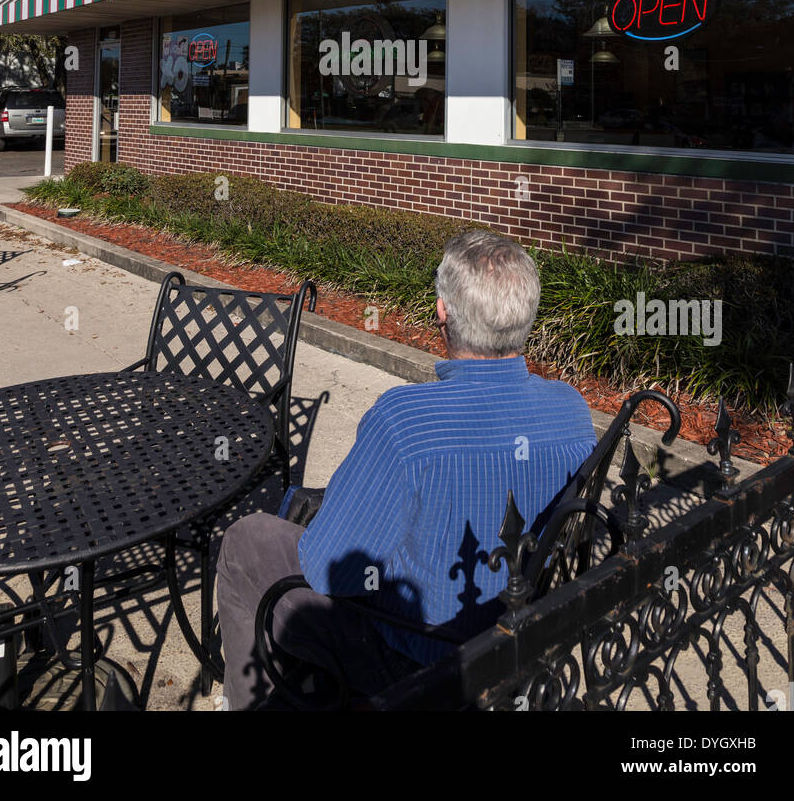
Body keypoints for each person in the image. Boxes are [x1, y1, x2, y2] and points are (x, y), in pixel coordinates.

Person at [215, 229, 597, 710]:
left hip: (414, 656)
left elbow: (329, 570)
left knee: (247, 539)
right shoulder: (570, 410)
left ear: (442, 311)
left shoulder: (405, 420)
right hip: (522, 640)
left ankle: (250, 704)